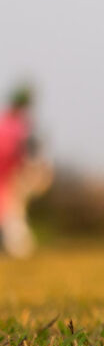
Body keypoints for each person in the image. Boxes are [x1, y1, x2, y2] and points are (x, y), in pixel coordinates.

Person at [0, 86, 48, 258]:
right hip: (8, 176)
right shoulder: (16, 126)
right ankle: (19, 247)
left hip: (10, 177)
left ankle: (18, 246)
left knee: (11, 211)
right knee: (11, 212)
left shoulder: (13, 124)